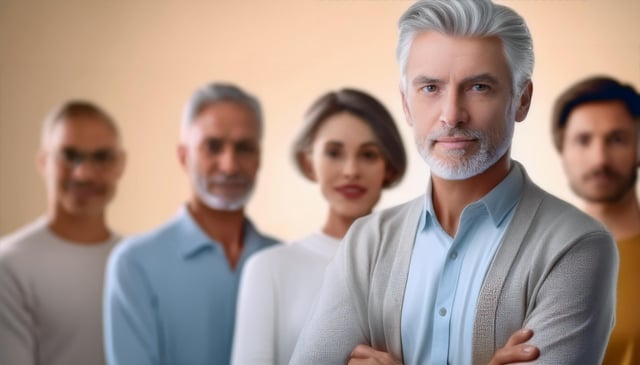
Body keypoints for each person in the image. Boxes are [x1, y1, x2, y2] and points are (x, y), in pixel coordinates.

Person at [289, 1, 618, 364]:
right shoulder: (368, 240)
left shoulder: (575, 245)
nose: (451, 115)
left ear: (521, 100)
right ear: (406, 104)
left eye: (478, 86)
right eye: (430, 88)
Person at [103, 82, 279, 365]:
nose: (230, 165)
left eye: (244, 148)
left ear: (258, 158)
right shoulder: (134, 263)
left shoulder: (282, 259)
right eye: (213, 146)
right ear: (184, 156)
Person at [231, 88, 407, 365]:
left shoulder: (420, 264)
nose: (350, 170)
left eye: (369, 154)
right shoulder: (269, 269)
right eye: (334, 153)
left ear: (389, 168)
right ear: (309, 163)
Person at [0, 101, 126, 365]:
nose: (84, 174)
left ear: (120, 164)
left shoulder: (137, 262)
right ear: (43, 161)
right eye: (69, 156)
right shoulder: (9, 264)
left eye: (101, 157)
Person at [551, 76, 640, 365]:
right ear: (562, 149)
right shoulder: (533, 253)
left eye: (616, 139)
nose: (600, 159)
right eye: (583, 140)